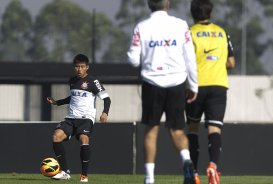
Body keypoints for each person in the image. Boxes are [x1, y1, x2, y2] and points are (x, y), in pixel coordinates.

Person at [127, 0, 198, 184]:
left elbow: (133, 60)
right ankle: (187, 161)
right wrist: (193, 86)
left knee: (151, 131)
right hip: (177, 82)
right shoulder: (181, 25)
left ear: (149, 5)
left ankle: (150, 179)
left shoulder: (141, 27)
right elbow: (190, 57)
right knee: (177, 129)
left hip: (152, 83)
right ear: (167, 4)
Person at [185, 0, 236, 184]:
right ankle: (213, 166)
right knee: (214, 128)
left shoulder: (189, 33)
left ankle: (195, 173)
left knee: (192, 127)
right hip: (218, 85)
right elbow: (231, 63)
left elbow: (185, 61)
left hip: (195, 86)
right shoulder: (222, 32)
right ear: (211, 13)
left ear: (192, 13)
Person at [46, 54, 111, 183]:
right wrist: (56, 102)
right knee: (56, 136)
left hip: (86, 118)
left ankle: (84, 176)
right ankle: (65, 172)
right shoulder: (72, 80)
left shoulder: (93, 81)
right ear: (74, 68)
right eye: (77, 67)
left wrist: (105, 113)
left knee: (84, 139)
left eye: (82, 67)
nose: (79, 69)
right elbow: (73, 98)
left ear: (87, 67)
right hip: (71, 118)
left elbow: (107, 99)